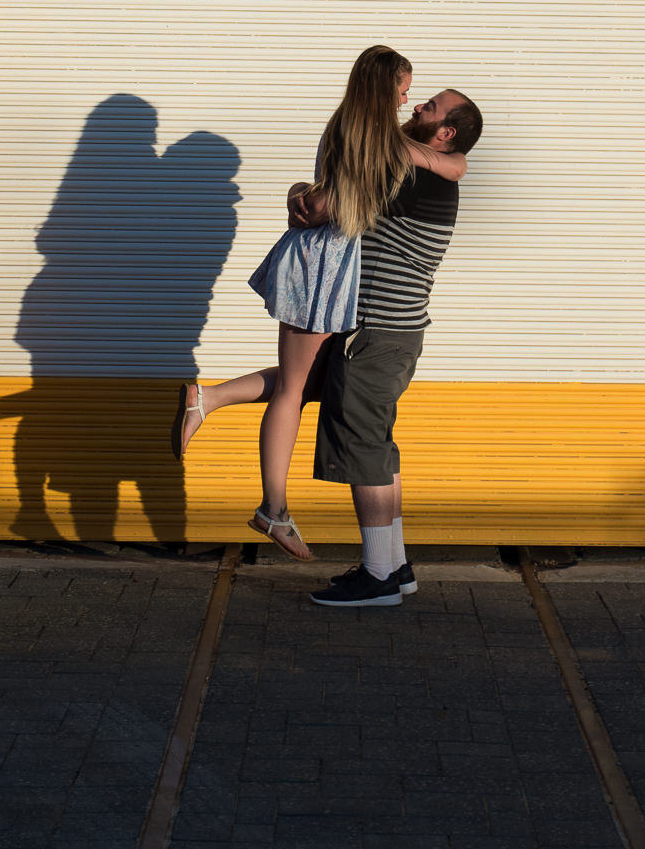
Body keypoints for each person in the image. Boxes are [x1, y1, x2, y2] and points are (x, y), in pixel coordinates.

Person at [171, 46, 466, 561]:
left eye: (420, 99)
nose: (410, 101)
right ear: (383, 87)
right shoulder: (371, 139)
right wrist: (308, 199)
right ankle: (274, 508)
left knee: (306, 379)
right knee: (293, 390)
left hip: (334, 266)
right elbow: (330, 202)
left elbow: (448, 164)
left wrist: (304, 193)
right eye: (404, 90)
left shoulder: (367, 132)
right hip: (323, 265)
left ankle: (208, 399)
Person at [309, 84, 483, 608]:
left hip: (378, 331)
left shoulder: (414, 174)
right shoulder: (427, 171)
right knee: (378, 448)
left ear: (445, 132)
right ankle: (395, 565)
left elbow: (328, 200)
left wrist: (302, 193)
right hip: (396, 332)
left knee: (364, 450)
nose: (413, 107)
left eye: (428, 107)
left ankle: (379, 576)